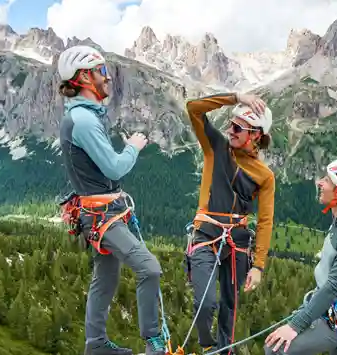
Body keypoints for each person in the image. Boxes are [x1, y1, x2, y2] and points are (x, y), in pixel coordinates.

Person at [56, 45, 166, 355]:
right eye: (102, 71)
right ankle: (153, 342)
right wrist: (133, 146)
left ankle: (96, 345)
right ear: (85, 77)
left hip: (101, 213)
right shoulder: (84, 121)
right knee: (149, 268)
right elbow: (114, 167)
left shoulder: (81, 117)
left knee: (105, 278)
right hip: (103, 216)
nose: (108, 77)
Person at [183, 92, 276, 354]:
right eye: (230, 124)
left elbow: (266, 221)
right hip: (206, 235)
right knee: (205, 303)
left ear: (256, 135)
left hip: (237, 241)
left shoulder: (265, 175)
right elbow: (193, 109)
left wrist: (258, 265)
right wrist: (235, 97)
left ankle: (225, 351)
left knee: (229, 307)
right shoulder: (216, 147)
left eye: (237, 128)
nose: (230, 131)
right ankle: (208, 346)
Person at [264, 156, 337, 355]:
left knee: (275, 349)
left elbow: (335, 286)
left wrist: (295, 326)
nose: (320, 182)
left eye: (327, 180)